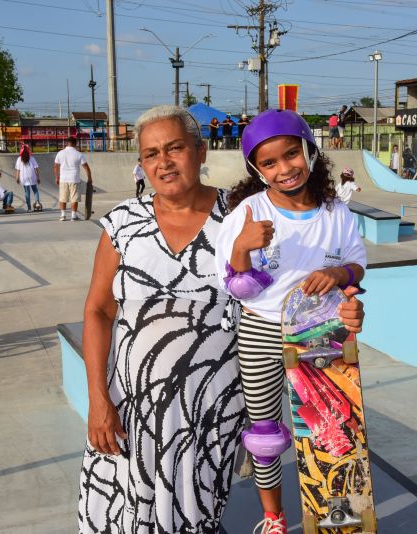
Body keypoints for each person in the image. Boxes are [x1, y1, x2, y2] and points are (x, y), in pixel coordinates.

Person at [78, 105, 249, 533]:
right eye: (151, 154)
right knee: (120, 515)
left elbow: (277, 297)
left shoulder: (240, 216)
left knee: (196, 514)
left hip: (212, 406)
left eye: (174, 148)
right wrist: (98, 400)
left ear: (200, 150)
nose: (163, 162)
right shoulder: (122, 224)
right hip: (129, 407)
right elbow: (98, 310)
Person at [216, 109, 367, 533]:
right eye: (270, 162)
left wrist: (340, 275)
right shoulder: (248, 212)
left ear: (309, 151)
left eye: (291, 155)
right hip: (261, 331)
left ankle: (337, 515)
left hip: (320, 331)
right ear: (257, 169)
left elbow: (357, 264)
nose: (284, 168)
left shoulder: (336, 211)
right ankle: (274, 518)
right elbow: (238, 287)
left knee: (331, 426)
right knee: (265, 435)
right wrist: (243, 248)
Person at [54, 136, 92, 221]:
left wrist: (57, 177)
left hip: (63, 179)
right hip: (74, 179)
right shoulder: (79, 154)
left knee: (63, 197)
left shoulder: (60, 153)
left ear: (66, 143)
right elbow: (86, 167)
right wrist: (89, 178)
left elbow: (56, 166)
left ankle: (63, 215)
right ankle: (73, 216)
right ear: (75, 144)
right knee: (74, 198)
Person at [15, 144, 41, 212]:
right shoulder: (32, 158)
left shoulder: (19, 159)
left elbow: (18, 170)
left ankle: (29, 208)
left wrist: (17, 177)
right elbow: (36, 169)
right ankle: (37, 203)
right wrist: (38, 177)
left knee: (27, 192)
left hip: (23, 177)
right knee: (35, 190)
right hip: (32, 175)